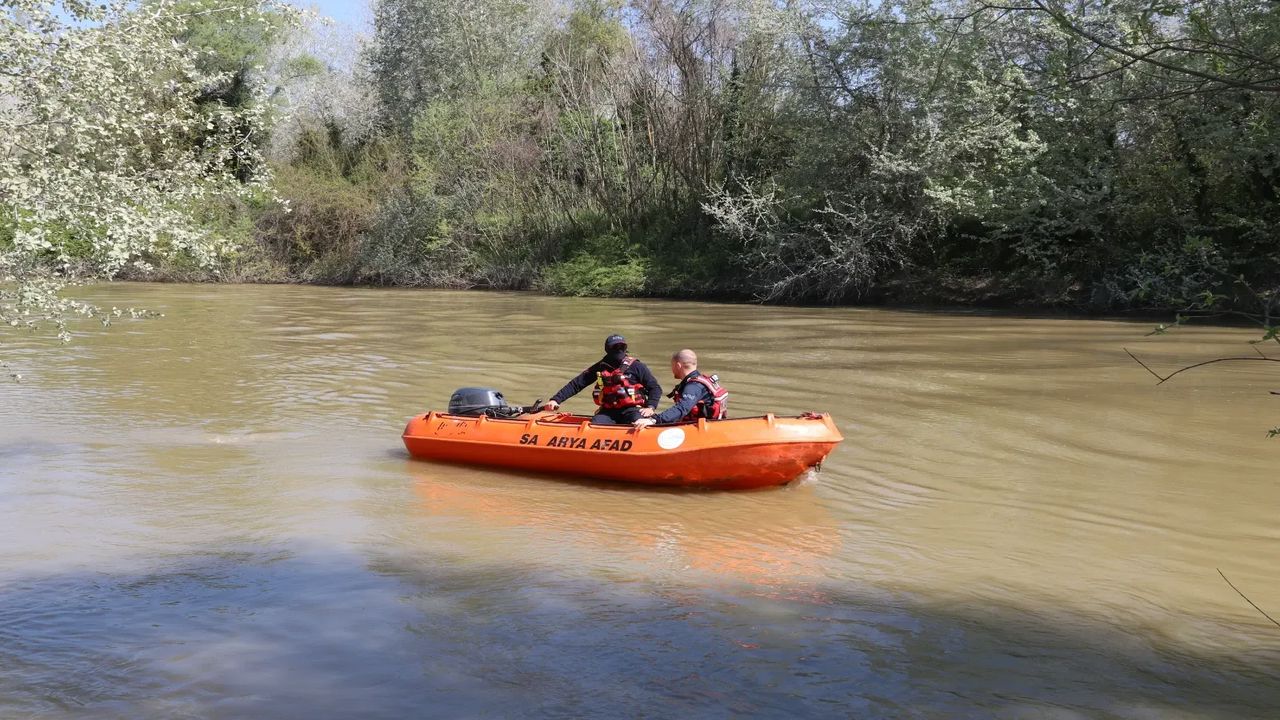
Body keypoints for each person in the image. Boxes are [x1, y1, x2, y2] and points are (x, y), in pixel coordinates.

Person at [541, 334, 662, 425]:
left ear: (625, 348)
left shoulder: (637, 366)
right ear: (608, 349)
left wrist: (650, 407)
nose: (618, 349)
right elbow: (577, 384)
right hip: (608, 411)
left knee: (640, 424)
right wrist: (556, 400)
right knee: (595, 425)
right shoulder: (600, 367)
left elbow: (655, 388)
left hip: (633, 409)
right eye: (615, 347)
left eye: (621, 346)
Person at [633, 349, 728, 428]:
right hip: (712, 426)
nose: (672, 369)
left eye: (672, 365)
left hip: (700, 430)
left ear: (678, 365)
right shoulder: (702, 381)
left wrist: (654, 420)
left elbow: (682, 408)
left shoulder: (693, 386)